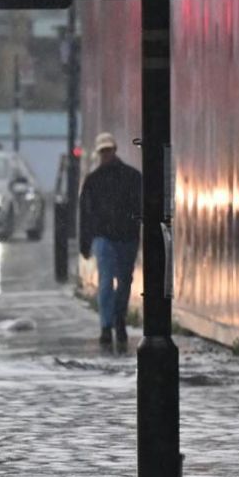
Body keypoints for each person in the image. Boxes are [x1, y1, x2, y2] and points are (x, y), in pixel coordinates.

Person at [79, 132, 141, 348]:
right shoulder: (128, 177)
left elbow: (86, 214)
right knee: (109, 280)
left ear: (113, 150)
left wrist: (85, 243)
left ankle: (116, 320)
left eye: (108, 150)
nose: (106, 154)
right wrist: (86, 242)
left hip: (121, 236)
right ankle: (110, 324)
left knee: (123, 281)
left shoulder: (98, 180)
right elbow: (85, 214)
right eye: (103, 151)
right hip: (111, 236)